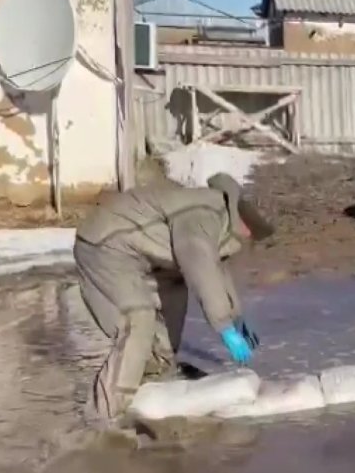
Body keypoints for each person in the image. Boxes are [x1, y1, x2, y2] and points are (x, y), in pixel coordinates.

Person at [73, 173, 274, 421]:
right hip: (104, 244)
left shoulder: (220, 217)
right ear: (245, 223)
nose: (249, 239)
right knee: (137, 319)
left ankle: (154, 377)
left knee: (176, 294)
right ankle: (106, 414)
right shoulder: (203, 214)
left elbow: (216, 269)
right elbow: (199, 264)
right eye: (252, 234)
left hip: (139, 252)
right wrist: (223, 326)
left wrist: (236, 317)